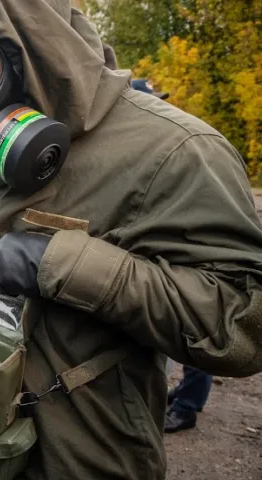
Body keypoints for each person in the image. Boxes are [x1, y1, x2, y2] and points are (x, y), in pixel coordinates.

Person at [0, 1, 262, 479]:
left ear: (33, 51)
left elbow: (242, 324)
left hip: (78, 457)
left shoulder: (175, 151)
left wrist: (67, 266)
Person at [130, 77, 212, 434]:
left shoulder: (180, 140)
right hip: (168, 248)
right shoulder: (145, 140)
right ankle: (182, 394)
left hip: (191, 248)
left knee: (195, 330)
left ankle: (188, 406)